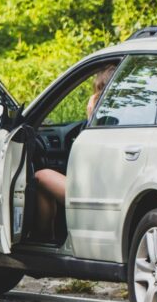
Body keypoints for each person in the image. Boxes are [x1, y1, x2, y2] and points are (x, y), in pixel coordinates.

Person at [33, 64, 116, 241]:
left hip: (94, 194)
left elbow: (90, 156)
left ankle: (45, 239)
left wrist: (91, 117)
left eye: (97, 92)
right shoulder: (125, 119)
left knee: (41, 176)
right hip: (109, 192)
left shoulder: (102, 123)